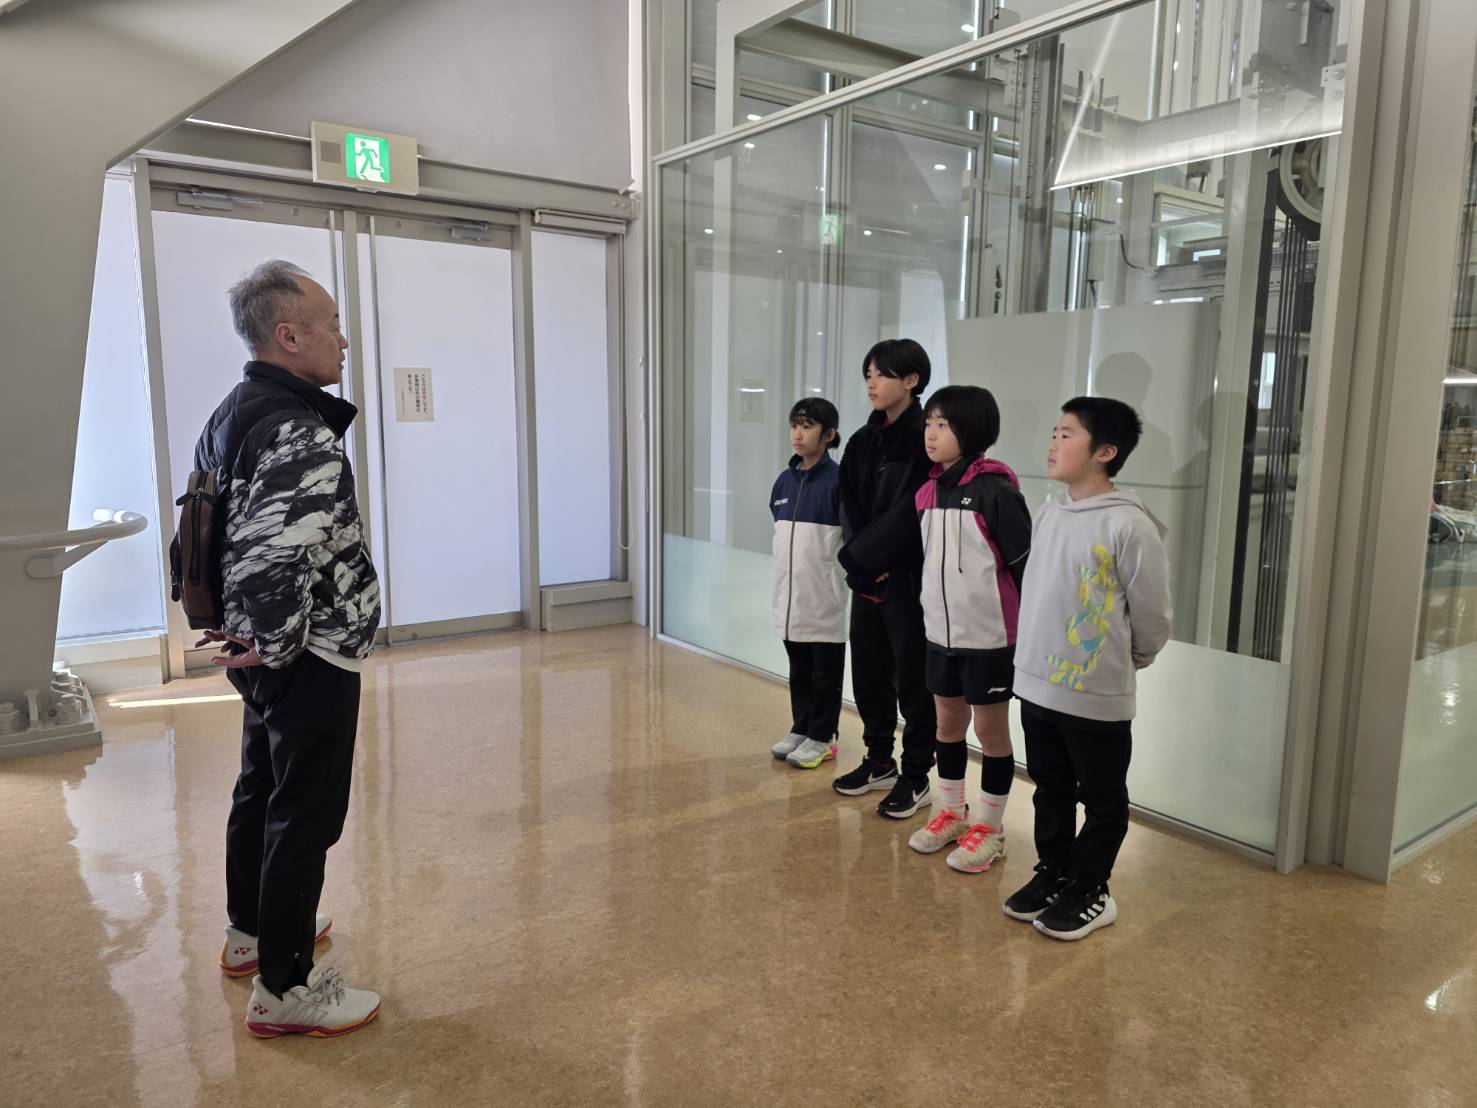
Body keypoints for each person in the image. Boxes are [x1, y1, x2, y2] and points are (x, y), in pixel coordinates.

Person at [197, 259, 384, 1035]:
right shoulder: (298, 429)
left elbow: (216, 536)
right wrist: (276, 647)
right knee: (305, 812)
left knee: (262, 788)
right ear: (288, 335)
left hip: (257, 645)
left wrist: (251, 639)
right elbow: (275, 556)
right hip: (306, 651)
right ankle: (286, 987)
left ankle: (251, 934)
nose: (343, 338)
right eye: (331, 323)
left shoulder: (233, 412)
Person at [1003, 397, 1172, 941]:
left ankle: (1091, 887)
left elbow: (1152, 615)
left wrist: (1125, 663)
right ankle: (1054, 872)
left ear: (1105, 452)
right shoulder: (1050, 513)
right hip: (1037, 686)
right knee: (1049, 788)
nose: (1053, 443)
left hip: (1095, 694)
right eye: (1054, 432)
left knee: (1101, 799)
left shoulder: (1129, 524)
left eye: (1067, 434)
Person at [906, 386, 1032, 873]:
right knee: (947, 726)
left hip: (989, 638)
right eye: (929, 423)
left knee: (990, 731)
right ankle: (951, 812)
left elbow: (1025, 570)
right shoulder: (927, 492)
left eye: (943, 425)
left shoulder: (996, 492)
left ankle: (991, 828)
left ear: (972, 430)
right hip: (941, 636)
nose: (931, 433)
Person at [832, 339, 938, 819]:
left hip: (906, 579)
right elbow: (848, 504)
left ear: (912, 380)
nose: (871, 383)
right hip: (867, 577)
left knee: (913, 682)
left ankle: (916, 776)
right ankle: (879, 760)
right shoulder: (862, 440)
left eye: (882, 374)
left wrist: (872, 558)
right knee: (869, 675)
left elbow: (913, 511)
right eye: (868, 374)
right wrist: (859, 559)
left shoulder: (926, 439)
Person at [769, 397, 848, 769]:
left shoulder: (838, 482)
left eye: (807, 426)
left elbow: (851, 538)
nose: (798, 434)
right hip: (790, 597)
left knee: (824, 674)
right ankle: (801, 727)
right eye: (794, 425)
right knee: (799, 669)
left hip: (823, 597)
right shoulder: (784, 481)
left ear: (828, 435)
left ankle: (823, 736)